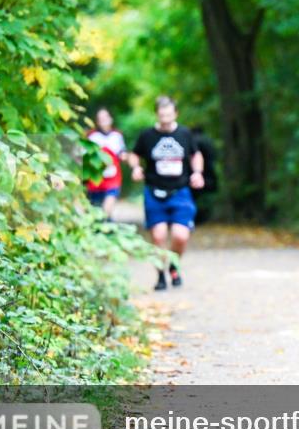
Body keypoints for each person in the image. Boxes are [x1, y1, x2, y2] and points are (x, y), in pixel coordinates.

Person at [127, 96, 205, 291]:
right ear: (157, 114)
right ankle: (161, 274)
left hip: (180, 191)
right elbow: (134, 154)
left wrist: (197, 173)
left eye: (169, 115)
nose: (165, 119)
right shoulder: (147, 135)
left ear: (175, 114)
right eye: (162, 116)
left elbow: (196, 155)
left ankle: (174, 265)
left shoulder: (185, 134)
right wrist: (135, 167)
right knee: (159, 236)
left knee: (181, 236)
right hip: (154, 191)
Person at [85, 107, 128, 220]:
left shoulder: (117, 136)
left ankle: (107, 229)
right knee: (95, 211)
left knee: (107, 209)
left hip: (113, 179)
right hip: (95, 180)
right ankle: (102, 231)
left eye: (106, 117)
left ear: (111, 119)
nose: (104, 120)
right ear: (97, 121)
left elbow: (122, 152)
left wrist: (125, 157)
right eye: (101, 118)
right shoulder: (91, 136)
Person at [190, 126, 218, 225]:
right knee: (204, 197)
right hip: (209, 173)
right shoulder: (208, 141)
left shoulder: (193, 140)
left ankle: (195, 218)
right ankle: (202, 217)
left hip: (194, 174)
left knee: (194, 197)